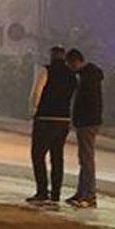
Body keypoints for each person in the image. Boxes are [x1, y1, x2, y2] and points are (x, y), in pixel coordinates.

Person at [27, 46, 76, 204]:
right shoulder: (71, 75)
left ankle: (42, 191)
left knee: (38, 154)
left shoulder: (45, 71)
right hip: (63, 120)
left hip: (45, 118)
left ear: (51, 56)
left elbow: (36, 93)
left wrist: (33, 110)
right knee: (57, 156)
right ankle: (56, 193)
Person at [66, 48, 103, 208]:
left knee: (87, 160)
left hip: (88, 122)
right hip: (86, 121)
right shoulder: (88, 76)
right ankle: (81, 193)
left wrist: (79, 119)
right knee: (84, 159)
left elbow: (86, 102)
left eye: (70, 64)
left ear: (75, 61)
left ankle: (89, 195)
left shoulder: (88, 77)